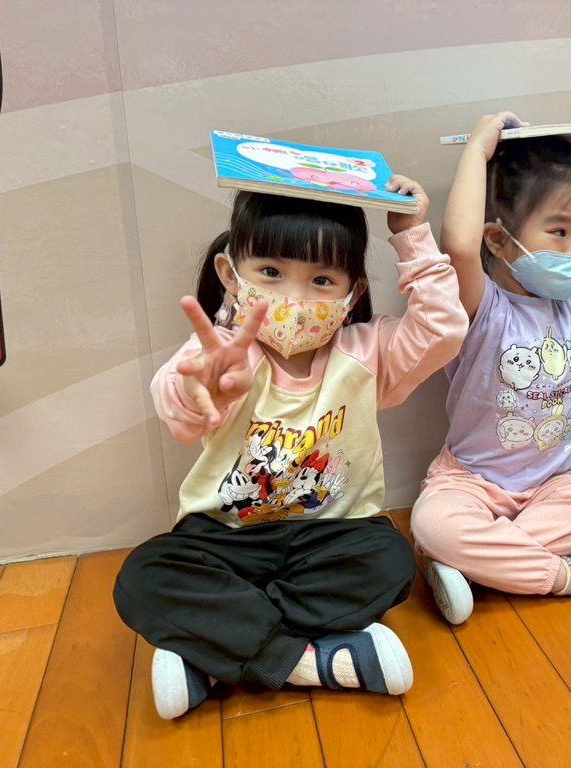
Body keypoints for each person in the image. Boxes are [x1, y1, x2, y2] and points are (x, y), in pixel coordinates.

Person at [113, 176, 467, 719]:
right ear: (231, 275)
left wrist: (412, 235)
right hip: (226, 538)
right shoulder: (223, 353)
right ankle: (309, 660)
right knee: (144, 576)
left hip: (335, 535)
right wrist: (202, 390)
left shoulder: (370, 352)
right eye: (271, 273)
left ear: (353, 293)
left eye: (322, 280)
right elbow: (180, 406)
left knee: (390, 561)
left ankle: (218, 650)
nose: (294, 299)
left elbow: (442, 330)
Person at [409, 112, 571, 625]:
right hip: (472, 482)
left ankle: (474, 565)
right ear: (498, 240)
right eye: (558, 232)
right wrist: (477, 151)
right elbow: (458, 246)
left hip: (552, 483)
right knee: (434, 522)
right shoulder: (481, 305)